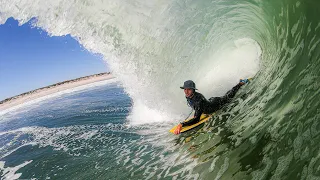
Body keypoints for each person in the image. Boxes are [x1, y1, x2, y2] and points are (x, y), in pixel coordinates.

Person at [174, 79, 249, 134]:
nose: (186, 91)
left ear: (193, 90)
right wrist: (197, 111)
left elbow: (196, 119)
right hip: (209, 101)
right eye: (185, 89)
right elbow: (195, 106)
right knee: (226, 95)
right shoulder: (189, 95)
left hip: (216, 104)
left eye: (189, 89)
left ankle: (240, 83)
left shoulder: (198, 100)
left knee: (229, 96)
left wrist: (182, 124)